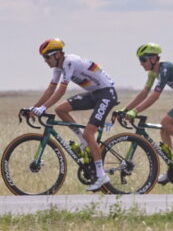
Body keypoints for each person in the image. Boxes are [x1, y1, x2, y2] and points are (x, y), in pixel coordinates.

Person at [30, 38, 118, 191]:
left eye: (47, 57)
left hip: (106, 94)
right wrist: (34, 108)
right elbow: (50, 90)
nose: (45, 61)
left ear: (57, 54)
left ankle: (101, 175)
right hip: (94, 93)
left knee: (90, 132)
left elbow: (62, 90)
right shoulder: (58, 67)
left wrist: (43, 108)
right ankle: (82, 140)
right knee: (60, 109)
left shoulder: (69, 62)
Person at [118, 43, 173, 184]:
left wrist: (135, 111)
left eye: (143, 60)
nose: (141, 64)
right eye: (140, 60)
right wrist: (126, 109)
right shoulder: (154, 72)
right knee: (164, 130)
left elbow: (155, 96)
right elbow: (144, 92)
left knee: (166, 122)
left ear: (153, 59)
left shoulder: (165, 69)